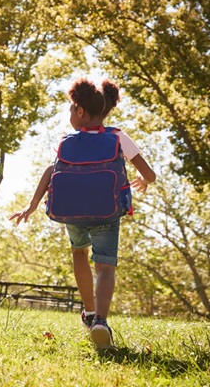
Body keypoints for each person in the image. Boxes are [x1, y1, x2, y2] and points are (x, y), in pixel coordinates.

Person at [9, 78, 156, 349]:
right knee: (105, 265)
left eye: (70, 109)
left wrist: (32, 205)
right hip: (107, 213)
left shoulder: (67, 141)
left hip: (72, 212)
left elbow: (50, 171)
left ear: (79, 111)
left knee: (79, 253)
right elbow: (150, 174)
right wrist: (143, 180)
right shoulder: (118, 137)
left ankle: (88, 311)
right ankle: (101, 320)